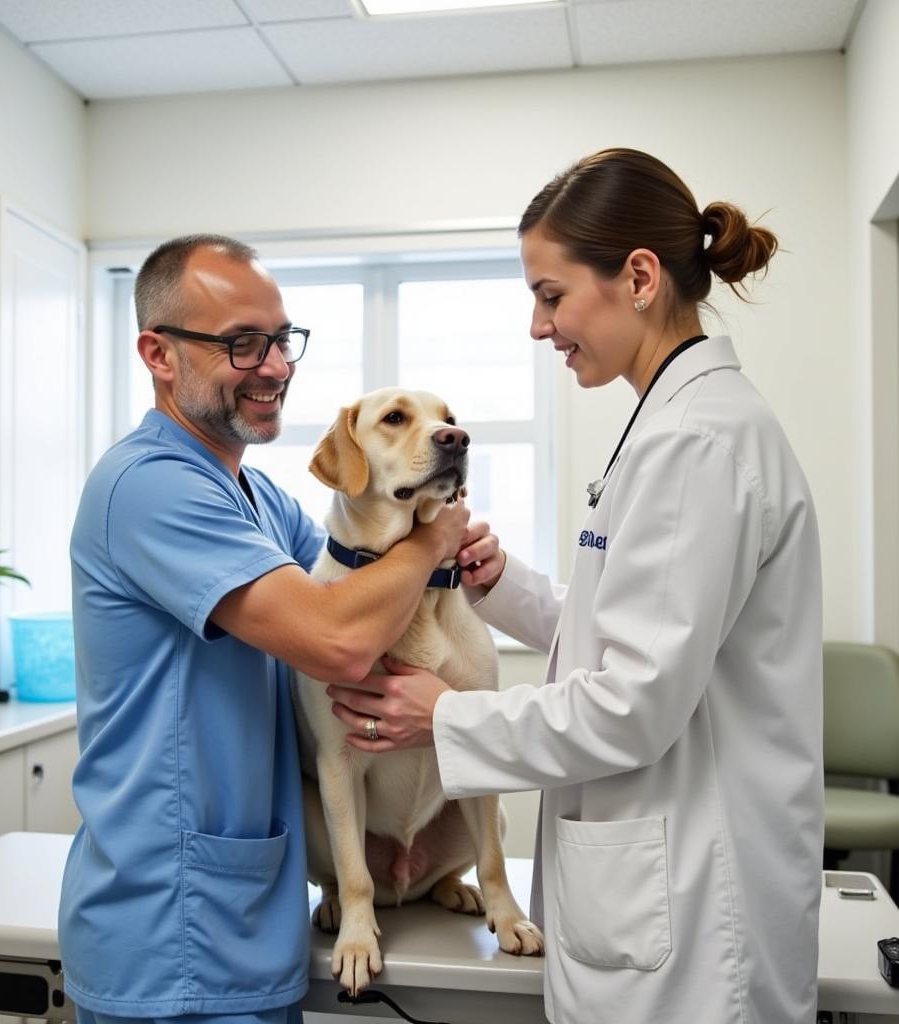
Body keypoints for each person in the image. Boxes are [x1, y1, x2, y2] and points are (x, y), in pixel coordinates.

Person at [325, 149, 824, 1024]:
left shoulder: (695, 443)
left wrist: (443, 715)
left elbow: (632, 702)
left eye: (550, 296)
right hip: (651, 892)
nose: (537, 326)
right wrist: (504, 584)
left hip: (695, 921)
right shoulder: (668, 426)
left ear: (637, 277)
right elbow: (627, 633)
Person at [57, 233, 470, 1024]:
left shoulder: (255, 498)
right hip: (171, 928)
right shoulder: (152, 488)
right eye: (243, 344)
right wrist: (432, 540)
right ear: (159, 354)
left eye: (282, 341)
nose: (276, 366)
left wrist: (439, 538)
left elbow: (365, 584)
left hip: (248, 921)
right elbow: (339, 638)